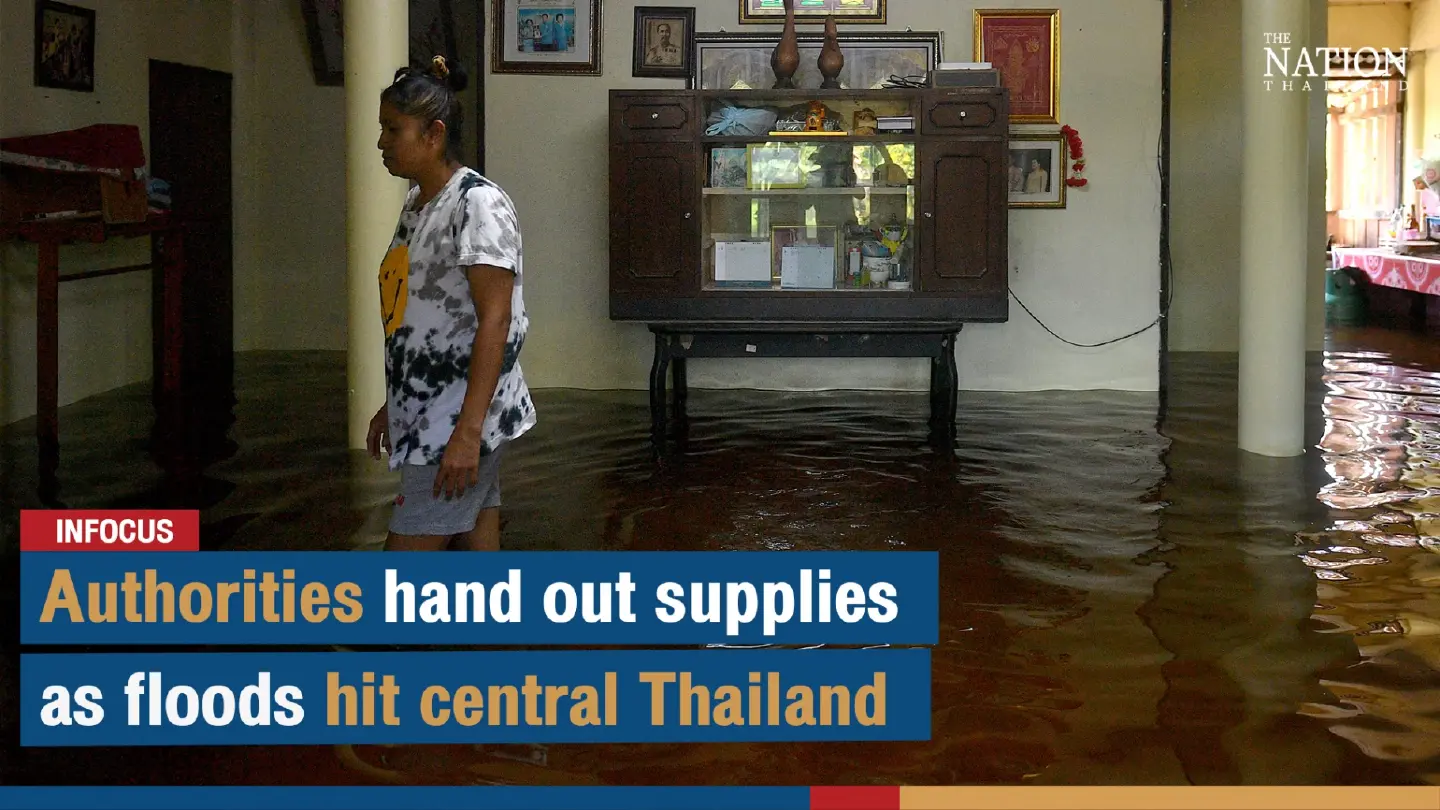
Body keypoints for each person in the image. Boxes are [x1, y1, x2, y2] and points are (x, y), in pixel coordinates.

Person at [369, 55, 536, 552]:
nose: (380, 142)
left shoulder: (476, 204)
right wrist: (396, 400)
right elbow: (425, 314)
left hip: (456, 422)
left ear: (434, 133)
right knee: (477, 547)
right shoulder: (419, 203)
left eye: (392, 130)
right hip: (432, 411)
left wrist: (467, 433)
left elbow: (496, 320)